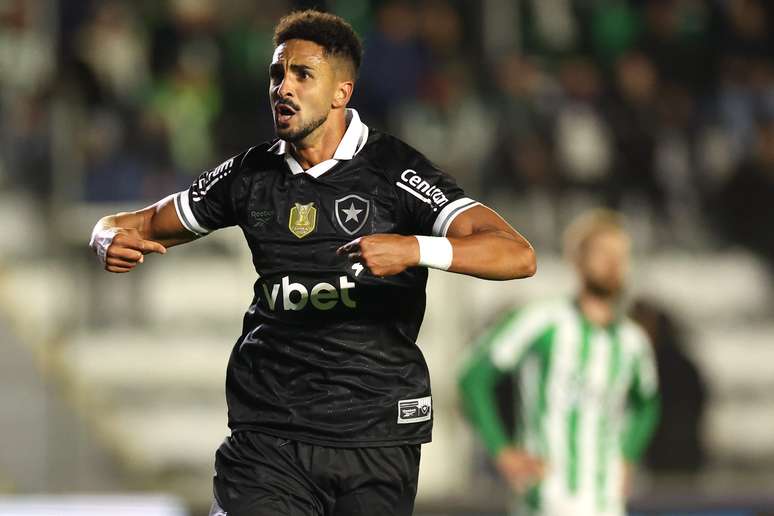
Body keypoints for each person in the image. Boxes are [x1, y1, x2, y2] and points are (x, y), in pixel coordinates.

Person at [88, 10, 536, 516]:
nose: (283, 87)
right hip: (269, 437)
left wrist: (415, 248)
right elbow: (135, 224)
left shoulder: (395, 171)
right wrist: (104, 238)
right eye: (277, 74)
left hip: (376, 435)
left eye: (303, 75)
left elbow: (516, 254)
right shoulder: (250, 174)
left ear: (341, 92)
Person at [458, 210, 659, 516]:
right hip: (546, 501)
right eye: (603, 252)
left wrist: (628, 457)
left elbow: (647, 404)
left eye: (621, 255)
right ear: (577, 259)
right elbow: (473, 378)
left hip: (607, 504)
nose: (613, 262)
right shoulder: (542, 320)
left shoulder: (633, 341)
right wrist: (502, 451)